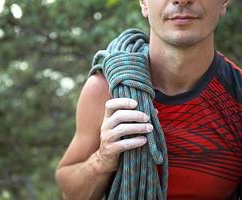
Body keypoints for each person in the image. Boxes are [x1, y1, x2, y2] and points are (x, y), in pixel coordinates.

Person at [55, 0, 242, 199]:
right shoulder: (106, 91)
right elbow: (69, 192)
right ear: (144, 3)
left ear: (223, 2)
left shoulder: (237, 96)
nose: (182, 0)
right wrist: (102, 159)